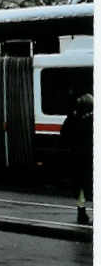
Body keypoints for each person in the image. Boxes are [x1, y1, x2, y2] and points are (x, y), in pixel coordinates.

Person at [61, 93, 93, 225]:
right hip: (90, 158)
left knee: (80, 189)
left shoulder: (71, 118)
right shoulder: (92, 119)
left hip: (76, 158)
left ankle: (81, 213)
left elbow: (64, 135)